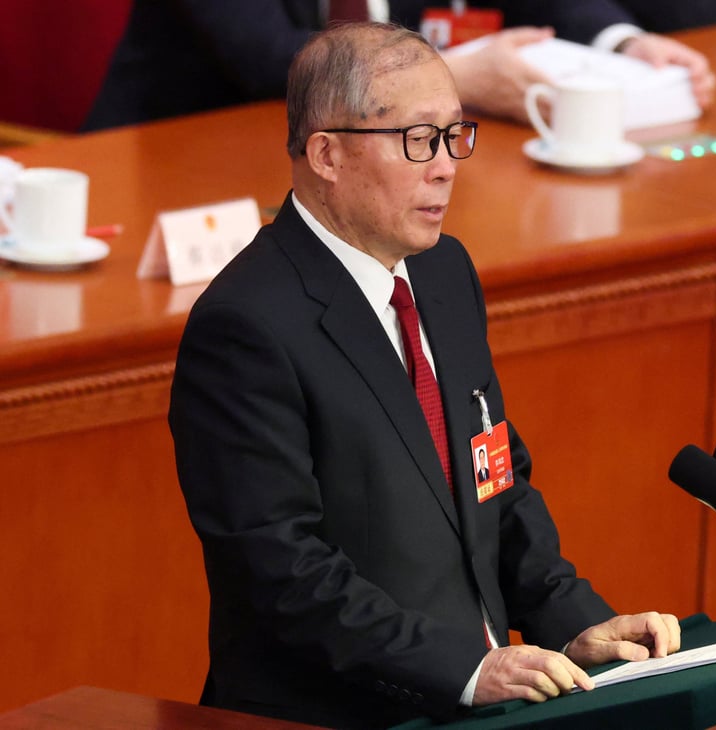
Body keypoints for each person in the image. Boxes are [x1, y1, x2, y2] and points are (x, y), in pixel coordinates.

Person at [168, 21, 680, 730]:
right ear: (326, 154)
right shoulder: (245, 327)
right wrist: (465, 670)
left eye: (453, 136)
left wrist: (571, 622)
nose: (445, 167)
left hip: (468, 705)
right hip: (336, 715)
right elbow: (282, 571)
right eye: (417, 140)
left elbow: (494, 477)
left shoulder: (443, 272)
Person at [82, 0, 715, 130]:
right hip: (198, 159)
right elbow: (269, 60)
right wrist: (446, 78)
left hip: (376, 161)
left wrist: (622, 42)